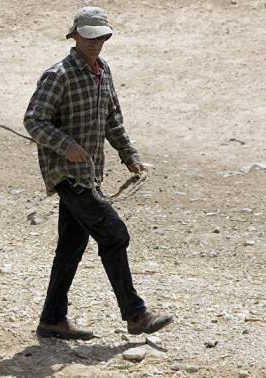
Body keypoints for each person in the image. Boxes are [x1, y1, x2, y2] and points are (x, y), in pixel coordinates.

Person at [23, 6, 173, 339]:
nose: (95, 43)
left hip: (91, 175)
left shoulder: (103, 72)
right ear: (73, 36)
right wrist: (66, 145)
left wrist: (129, 156)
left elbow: (112, 121)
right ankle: (135, 314)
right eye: (88, 37)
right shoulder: (57, 75)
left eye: (101, 37)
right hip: (67, 175)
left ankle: (51, 319)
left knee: (71, 247)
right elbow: (34, 120)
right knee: (114, 234)